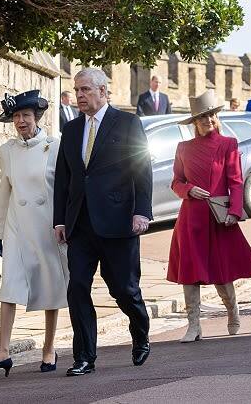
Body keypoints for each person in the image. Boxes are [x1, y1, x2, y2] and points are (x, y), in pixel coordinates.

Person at [53, 68, 153, 376]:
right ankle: (84, 356)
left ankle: (139, 330)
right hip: (80, 224)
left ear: (103, 91)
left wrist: (141, 211)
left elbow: (141, 168)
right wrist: (60, 220)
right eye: (77, 90)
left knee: (123, 289)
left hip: (119, 220)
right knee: (77, 287)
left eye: (85, 90)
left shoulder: (126, 123)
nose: (80, 95)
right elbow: (63, 179)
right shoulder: (70, 130)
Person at [168, 90, 251, 343]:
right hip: (191, 219)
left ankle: (233, 312)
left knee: (222, 273)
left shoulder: (228, 145)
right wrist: (188, 190)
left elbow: (236, 181)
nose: (208, 120)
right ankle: (194, 325)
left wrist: (234, 211)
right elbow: (176, 182)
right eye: (202, 117)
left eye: (211, 115)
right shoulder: (183, 148)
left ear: (216, 117)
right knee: (190, 272)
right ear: (194, 123)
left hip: (219, 218)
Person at [0, 90, 67, 376]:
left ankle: (49, 347)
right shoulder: (7, 150)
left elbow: (63, 191)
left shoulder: (54, 146)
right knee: (10, 285)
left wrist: (63, 223)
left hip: (47, 226)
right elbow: (5, 190)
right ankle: (3, 350)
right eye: (16, 116)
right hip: (17, 225)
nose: (21, 121)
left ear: (37, 117)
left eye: (26, 116)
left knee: (50, 285)